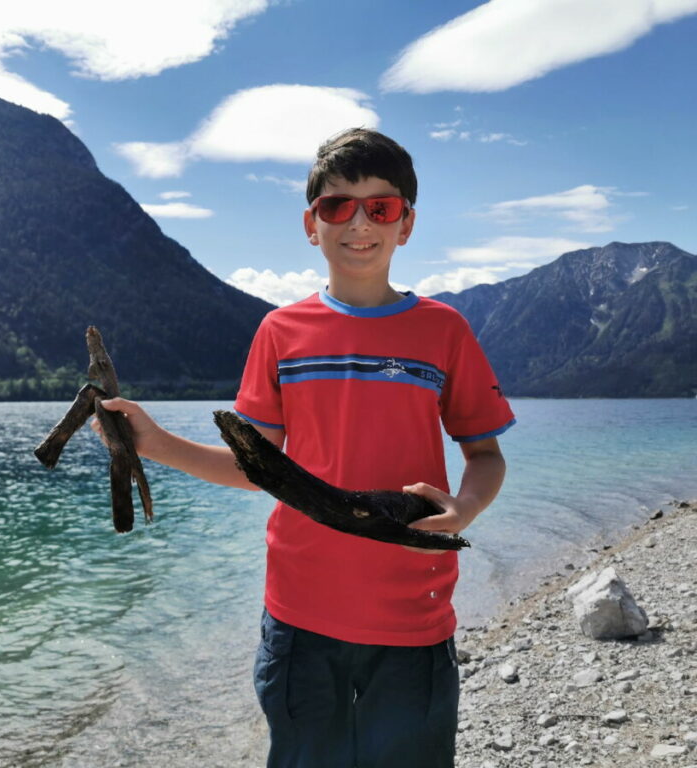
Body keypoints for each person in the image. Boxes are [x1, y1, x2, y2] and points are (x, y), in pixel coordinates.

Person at [92, 128, 515, 768]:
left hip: (414, 611)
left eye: (381, 207)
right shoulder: (280, 332)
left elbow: (484, 455)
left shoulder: (444, 330)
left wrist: (465, 509)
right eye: (337, 206)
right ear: (310, 223)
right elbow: (259, 469)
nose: (359, 223)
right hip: (300, 615)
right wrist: (152, 441)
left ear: (407, 223)